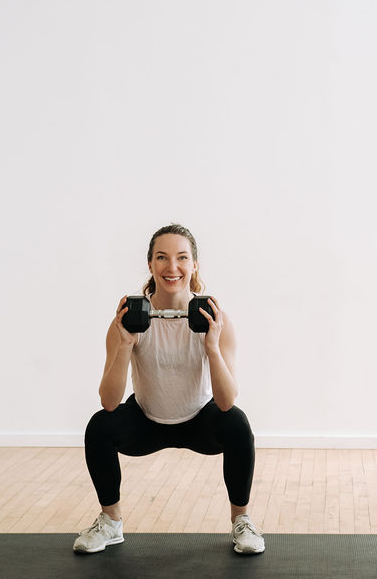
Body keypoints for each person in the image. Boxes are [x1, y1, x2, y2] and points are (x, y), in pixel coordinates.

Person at [74, 224, 265, 556]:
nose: (172, 267)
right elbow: (108, 401)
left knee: (237, 423)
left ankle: (241, 522)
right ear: (150, 265)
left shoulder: (215, 319)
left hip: (200, 419)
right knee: (99, 426)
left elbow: (226, 400)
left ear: (194, 265)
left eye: (181, 258)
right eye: (161, 257)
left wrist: (212, 348)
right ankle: (110, 522)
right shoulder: (128, 319)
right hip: (146, 419)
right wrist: (125, 346)